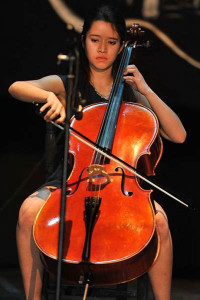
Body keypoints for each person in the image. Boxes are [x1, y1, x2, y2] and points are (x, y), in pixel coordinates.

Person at [8, 4, 186, 300]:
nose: (102, 48)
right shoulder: (70, 85)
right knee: (28, 213)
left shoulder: (133, 95)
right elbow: (17, 87)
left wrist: (145, 89)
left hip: (120, 190)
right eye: (95, 39)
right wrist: (49, 96)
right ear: (83, 41)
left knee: (161, 224)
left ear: (120, 47)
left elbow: (178, 134)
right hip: (69, 182)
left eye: (112, 42)